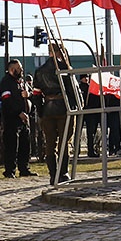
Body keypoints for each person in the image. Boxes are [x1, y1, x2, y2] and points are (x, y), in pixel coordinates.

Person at [33, 42, 77, 184]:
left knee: (50, 144)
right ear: (60, 52)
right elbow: (73, 90)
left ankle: (53, 175)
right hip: (64, 108)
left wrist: (40, 112)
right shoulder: (65, 68)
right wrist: (76, 106)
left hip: (47, 108)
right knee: (65, 142)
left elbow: (36, 94)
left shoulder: (39, 71)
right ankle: (63, 172)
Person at [0, 59, 37, 178]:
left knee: (25, 145)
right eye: (19, 68)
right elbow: (7, 101)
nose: (22, 70)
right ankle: (10, 170)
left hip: (25, 118)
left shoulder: (22, 82)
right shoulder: (6, 83)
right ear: (12, 70)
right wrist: (18, 112)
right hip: (12, 119)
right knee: (11, 145)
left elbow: (31, 93)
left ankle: (24, 168)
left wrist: (28, 94)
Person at [79, 74, 102, 157]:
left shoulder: (92, 88)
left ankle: (91, 151)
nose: (86, 79)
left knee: (91, 133)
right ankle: (77, 151)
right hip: (81, 112)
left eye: (88, 77)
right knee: (78, 132)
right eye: (85, 77)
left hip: (91, 112)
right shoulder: (79, 87)